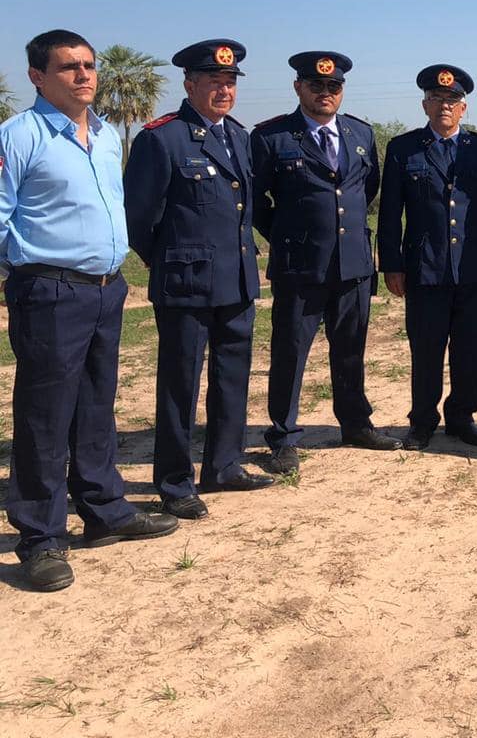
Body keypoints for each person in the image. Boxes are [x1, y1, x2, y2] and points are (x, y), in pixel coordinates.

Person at [1, 30, 178, 592]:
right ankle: (40, 536)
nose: (83, 76)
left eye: (89, 66)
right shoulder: (20, 136)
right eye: (68, 68)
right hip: (49, 288)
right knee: (45, 415)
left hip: (106, 288)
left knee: (97, 404)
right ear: (37, 76)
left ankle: (105, 511)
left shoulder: (104, 137)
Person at [124, 39, 274, 521]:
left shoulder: (239, 136)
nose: (224, 90)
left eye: (229, 82)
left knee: (232, 376)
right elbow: (138, 218)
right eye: (214, 81)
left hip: (236, 280)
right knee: (180, 383)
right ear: (189, 85)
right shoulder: (162, 137)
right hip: (186, 283)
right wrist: (167, 259)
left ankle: (224, 465)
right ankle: (173, 481)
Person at [250, 51, 400, 477]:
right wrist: (287, 235)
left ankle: (355, 423)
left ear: (342, 91)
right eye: (316, 86)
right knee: (290, 352)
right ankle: (283, 437)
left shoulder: (360, 133)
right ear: (299, 87)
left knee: (351, 349)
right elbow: (258, 202)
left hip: (352, 263)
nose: (325, 93)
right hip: (300, 265)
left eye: (333, 87)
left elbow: (364, 189)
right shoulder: (272, 137)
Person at [378, 64, 477, 449]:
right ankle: (422, 421)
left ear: (463, 108)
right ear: (425, 105)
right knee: (427, 350)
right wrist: (392, 265)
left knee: (471, 349)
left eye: (452, 100)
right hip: (425, 268)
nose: (444, 106)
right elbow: (389, 214)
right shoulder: (404, 149)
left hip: (474, 267)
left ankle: (463, 416)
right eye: (437, 99)